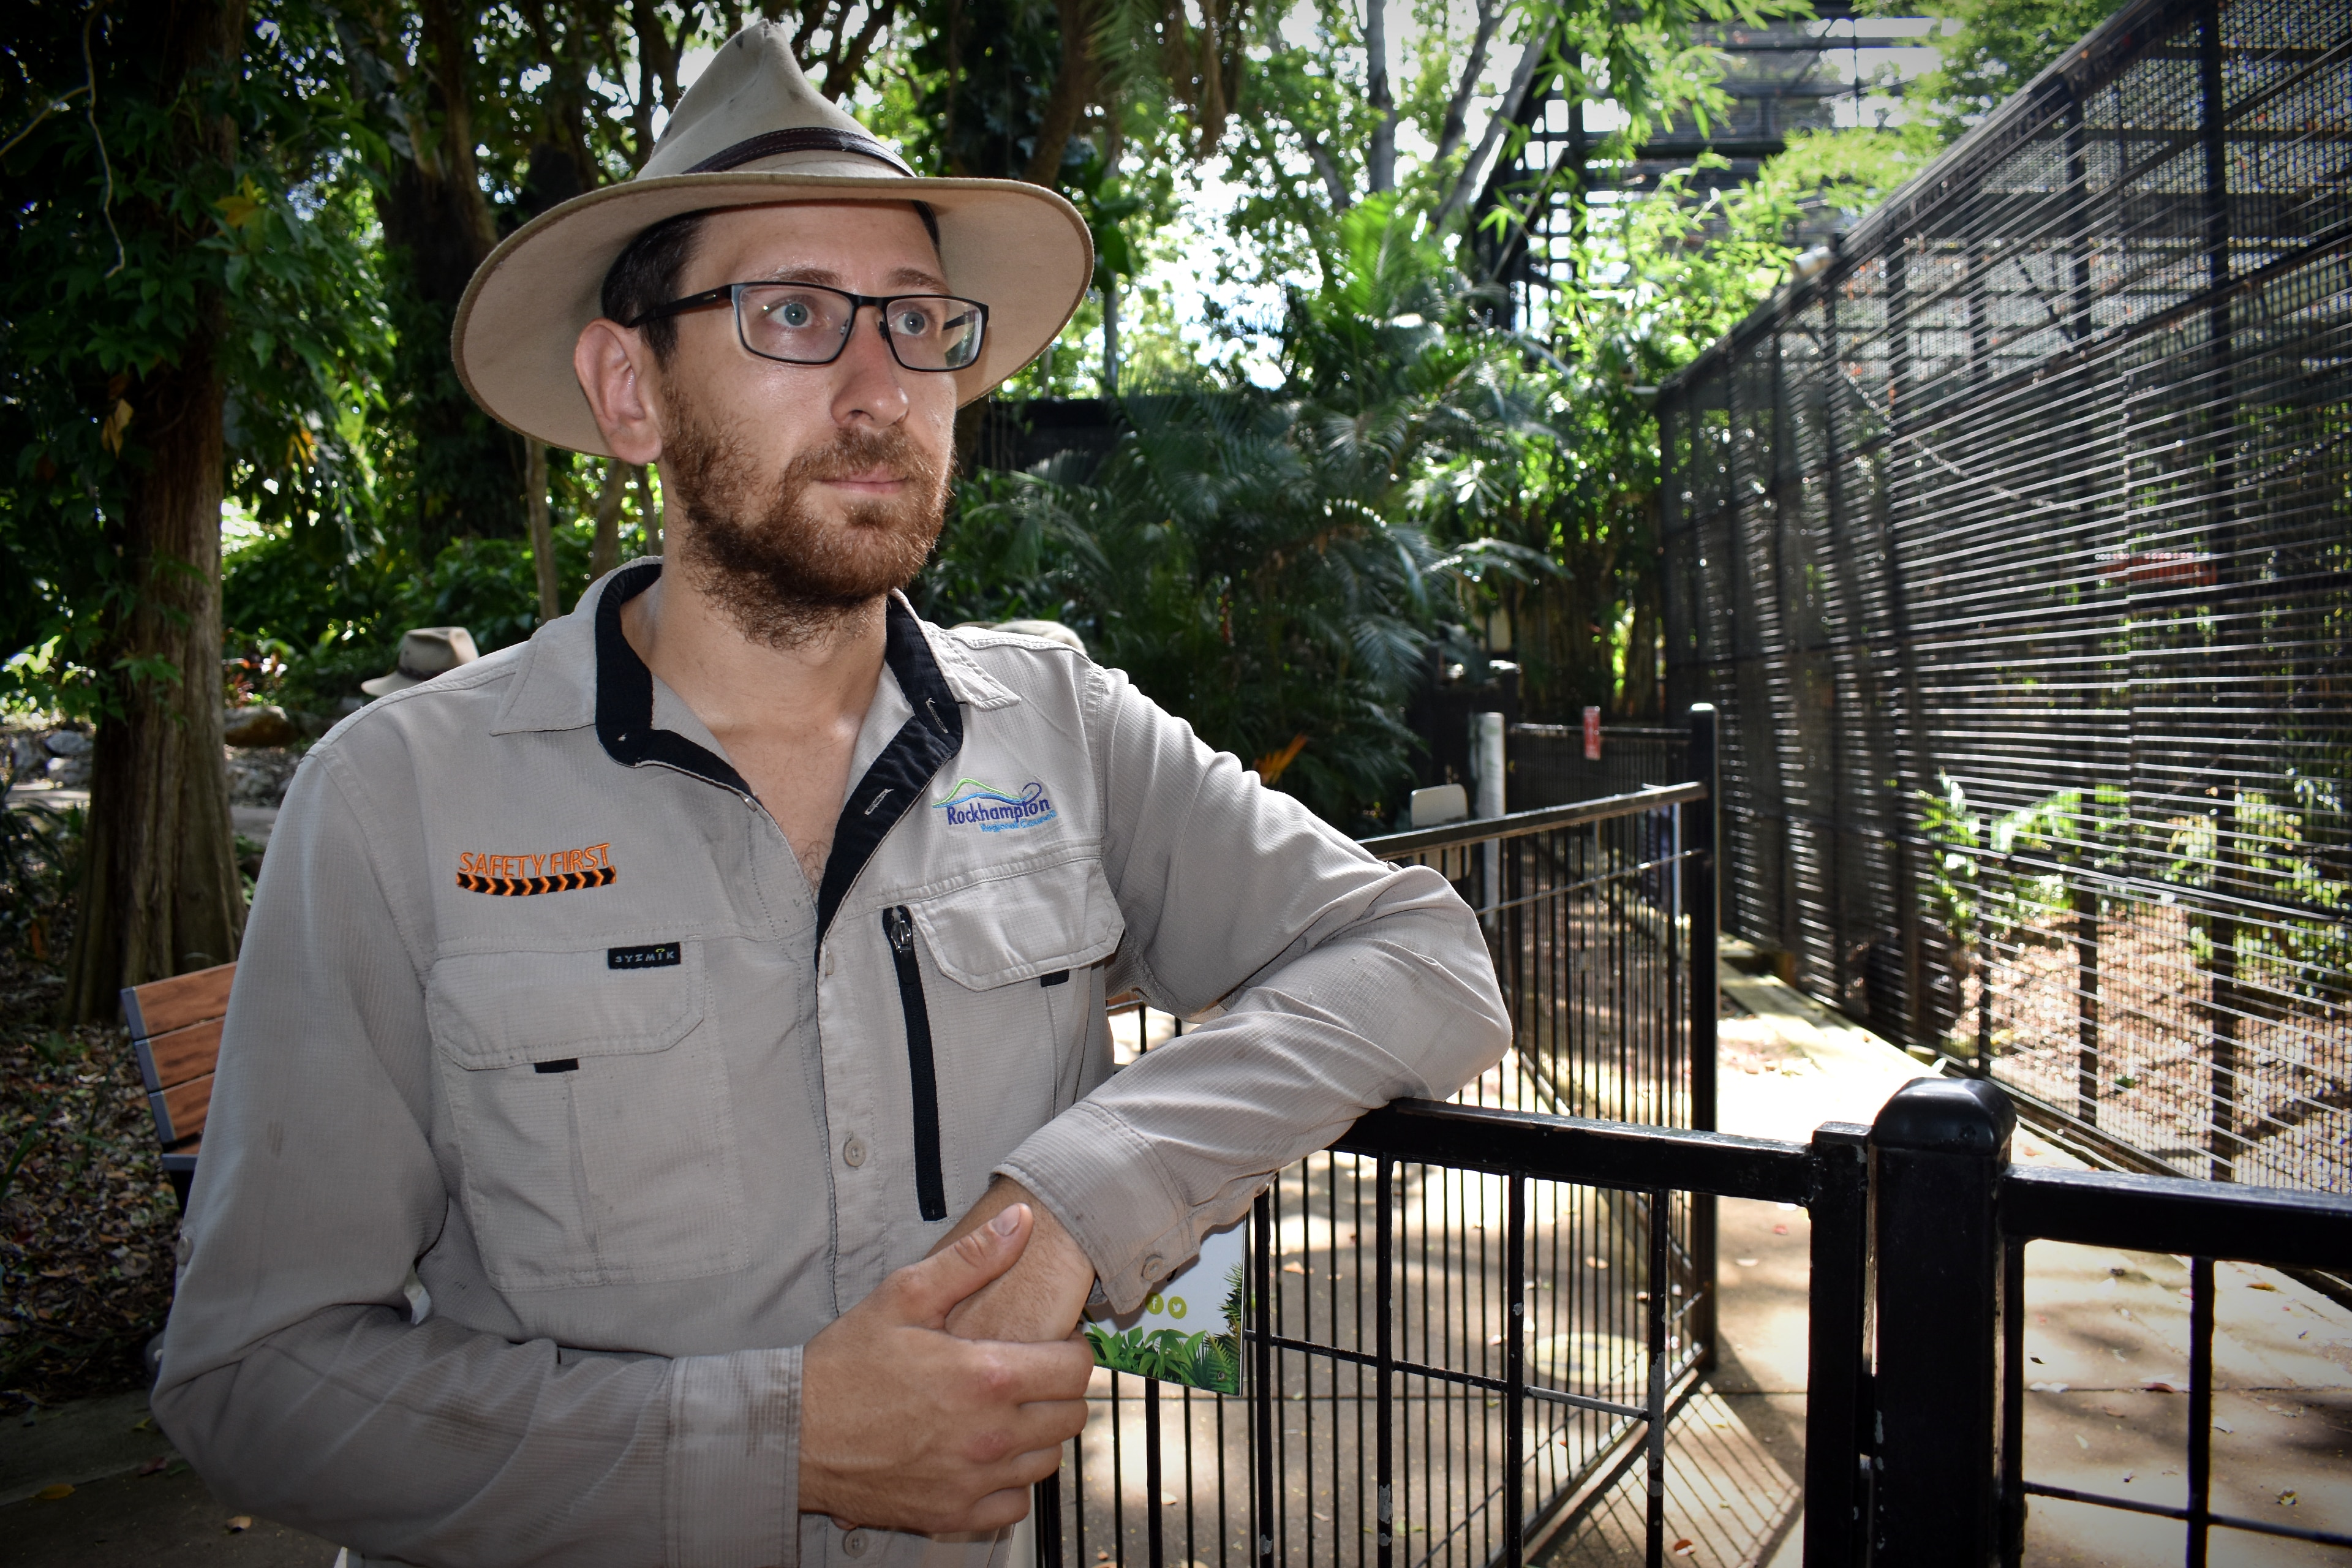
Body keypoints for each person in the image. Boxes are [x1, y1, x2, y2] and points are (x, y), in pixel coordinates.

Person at [154, 24, 1508, 1568]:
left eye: (920, 322)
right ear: (629, 385)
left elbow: (1420, 955)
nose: (882, 389)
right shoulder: (398, 800)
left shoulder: (1059, 725)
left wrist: (1080, 1200)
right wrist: (779, 1436)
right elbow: (252, 1381)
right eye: (794, 313)